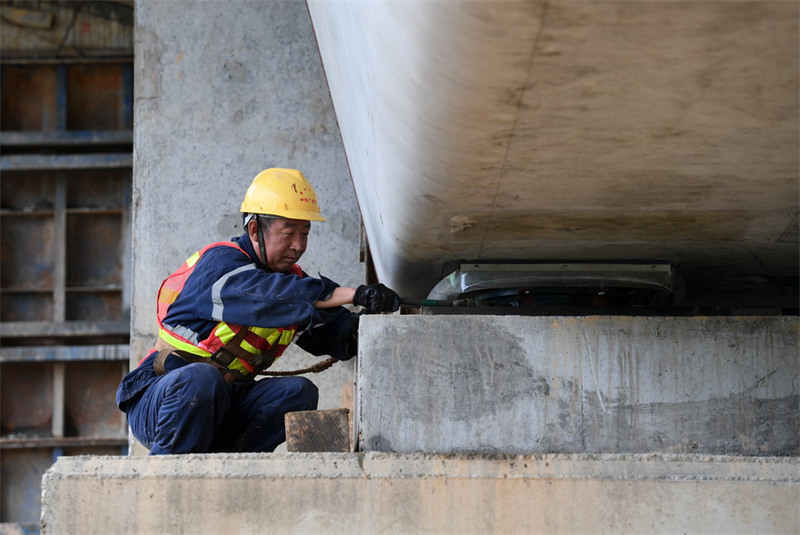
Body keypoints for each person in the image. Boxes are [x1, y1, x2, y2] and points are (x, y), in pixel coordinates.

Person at [115, 168, 400, 454]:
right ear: (254, 230)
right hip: (161, 399)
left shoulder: (292, 285)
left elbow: (328, 332)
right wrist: (353, 294)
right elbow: (266, 296)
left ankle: (232, 466)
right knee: (201, 378)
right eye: (288, 233)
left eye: (305, 234)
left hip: (222, 404)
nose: (298, 245)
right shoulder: (221, 266)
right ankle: (167, 476)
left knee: (298, 392)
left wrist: (359, 327)